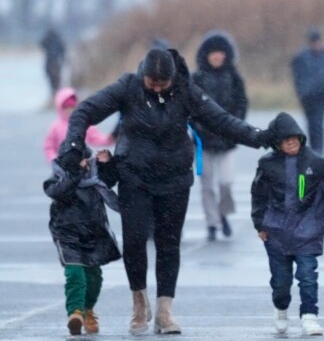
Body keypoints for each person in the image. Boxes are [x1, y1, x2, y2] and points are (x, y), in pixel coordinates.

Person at [57, 48, 275, 335]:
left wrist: (259, 137)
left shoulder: (186, 90)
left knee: (168, 244)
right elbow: (85, 111)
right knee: (134, 242)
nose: (157, 87)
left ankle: (164, 311)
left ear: (173, 77)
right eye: (152, 82)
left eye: (163, 83)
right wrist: (73, 145)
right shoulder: (128, 87)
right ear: (143, 75)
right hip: (134, 175)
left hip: (174, 179)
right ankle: (139, 305)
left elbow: (221, 120)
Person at [250, 112, 324, 337]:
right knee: (281, 281)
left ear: (301, 138)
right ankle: (281, 308)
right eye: (285, 139)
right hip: (276, 233)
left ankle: (309, 316)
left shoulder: (316, 162)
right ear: (276, 142)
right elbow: (259, 195)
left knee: (308, 276)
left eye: (295, 137)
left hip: (308, 230)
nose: (291, 142)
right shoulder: (267, 164)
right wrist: (260, 224)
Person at [44, 146, 121, 336]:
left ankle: (87, 309)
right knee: (75, 273)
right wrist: (75, 172)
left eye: (86, 160)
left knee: (94, 277)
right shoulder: (57, 179)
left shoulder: (95, 178)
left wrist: (107, 163)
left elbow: (112, 179)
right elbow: (59, 191)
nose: (84, 164)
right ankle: (75, 313)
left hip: (93, 232)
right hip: (67, 233)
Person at [191, 31, 249, 242]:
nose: (217, 57)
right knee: (206, 185)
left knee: (226, 182)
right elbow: (189, 106)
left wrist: (236, 126)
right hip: (202, 142)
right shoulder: (196, 78)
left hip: (227, 141)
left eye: (221, 53)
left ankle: (223, 214)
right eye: (213, 53)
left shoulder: (234, 78)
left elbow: (242, 103)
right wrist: (197, 127)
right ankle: (212, 223)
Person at [291, 27, 324, 154]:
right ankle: (314, 148)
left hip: (322, 95)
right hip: (307, 96)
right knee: (310, 122)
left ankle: (319, 149)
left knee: (318, 122)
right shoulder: (301, 56)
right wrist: (300, 90)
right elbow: (297, 75)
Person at [43, 87, 115, 164]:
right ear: (60, 108)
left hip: (83, 163)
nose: (69, 110)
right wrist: (54, 159)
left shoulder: (83, 122)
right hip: (63, 164)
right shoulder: (55, 127)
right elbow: (49, 147)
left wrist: (110, 139)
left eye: (72, 107)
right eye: (66, 107)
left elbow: (96, 138)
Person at [40, 28, 66, 99]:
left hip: (52, 62)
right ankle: (56, 95)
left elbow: (41, 44)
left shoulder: (51, 40)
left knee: (55, 81)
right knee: (55, 81)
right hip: (53, 62)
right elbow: (63, 51)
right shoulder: (57, 40)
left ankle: (56, 95)